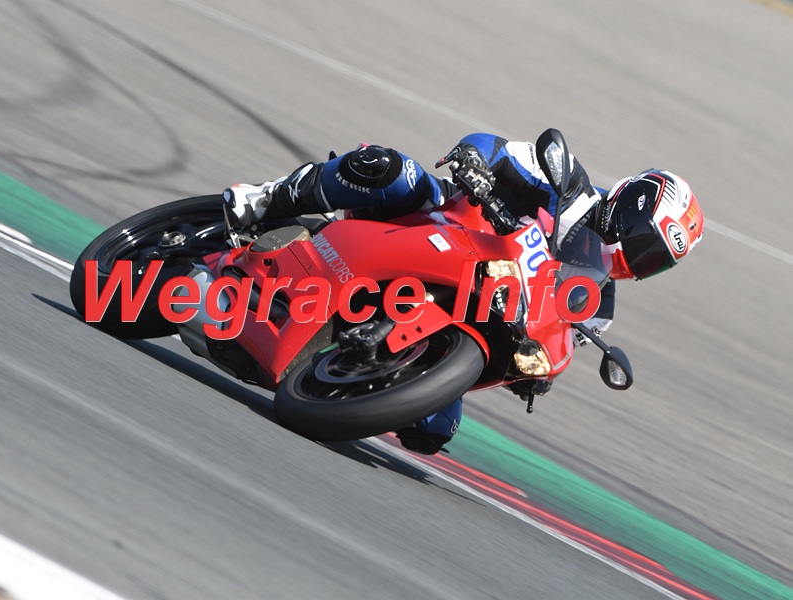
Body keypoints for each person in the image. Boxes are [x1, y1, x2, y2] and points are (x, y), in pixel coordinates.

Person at [223, 132, 704, 454]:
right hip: (441, 224)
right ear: (630, 205)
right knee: (389, 170)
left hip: (470, 307)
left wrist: (533, 376)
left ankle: (338, 365)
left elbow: (550, 336)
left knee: (434, 428)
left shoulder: (596, 305)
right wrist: (476, 163)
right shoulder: (568, 187)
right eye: (644, 242)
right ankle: (263, 200)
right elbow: (492, 146)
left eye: (654, 260)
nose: (639, 258)